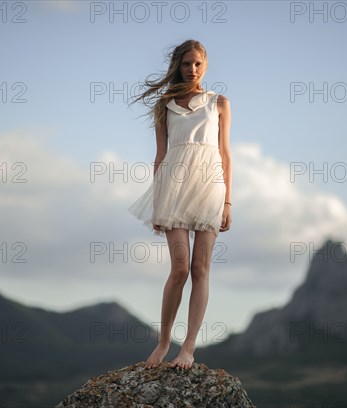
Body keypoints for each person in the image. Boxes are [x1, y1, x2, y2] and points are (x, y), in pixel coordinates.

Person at [127, 39, 232, 370]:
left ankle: (187, 349)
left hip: (210, 186)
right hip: (173, 186)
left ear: (206, 65)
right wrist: (158, 202)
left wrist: (228, 200)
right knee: (179, 268)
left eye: (198, 63)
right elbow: (160, 156)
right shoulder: (164, 106)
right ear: (178, 66)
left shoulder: (219, 102)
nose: (193, 69)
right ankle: (163, 343)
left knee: (200, 268)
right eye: (187, 63)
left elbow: (225, 153)